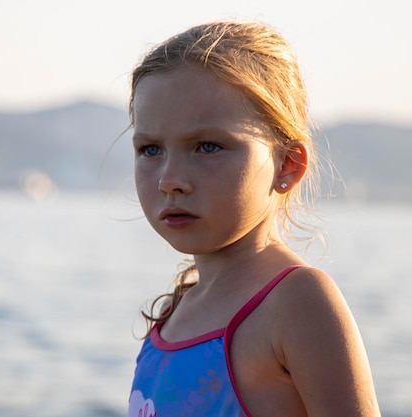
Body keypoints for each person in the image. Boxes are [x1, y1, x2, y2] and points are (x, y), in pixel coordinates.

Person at [127, 20, 380, 416]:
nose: (170, 180)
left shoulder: (297, 303)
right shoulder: (176, 310)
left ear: (287, 165)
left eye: (207, 147)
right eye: (150, 149)